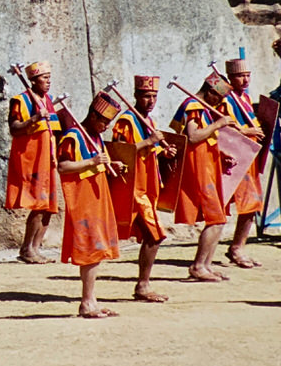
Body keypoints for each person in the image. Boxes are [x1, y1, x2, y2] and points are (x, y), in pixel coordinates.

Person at [57, 92, 123, 318]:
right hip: (83, 202)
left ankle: (92, 299)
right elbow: (63, 167)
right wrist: (92, 162)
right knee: (89, 252)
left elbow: (97, 164)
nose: (106, 126)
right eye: (104, 121)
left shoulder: (93, 137)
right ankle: (86, 302)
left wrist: (111, 164)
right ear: (93, 116)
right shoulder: (73, 137)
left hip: (98, 200)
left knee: (97, 251)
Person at [112, 76, 175, 302]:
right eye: (146, 96)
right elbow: (119, 152)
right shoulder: (126, 121)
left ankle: (143, 284)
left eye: (154, 96)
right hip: (133, 189)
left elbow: (147, 154)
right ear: (136, 96)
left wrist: (162, 152)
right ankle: (143, 285)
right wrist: (150, 142)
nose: (151, 100)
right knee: (154, 234)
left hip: (147, 188)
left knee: (153, 235)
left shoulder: (149, 121)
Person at [170, 73, 236, 282]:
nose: (221, 102)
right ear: (211, 92)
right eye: (220, 97)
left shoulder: (203, 108)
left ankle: (206, 265)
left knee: (220, 218)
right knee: (216, 218)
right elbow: (193, 136)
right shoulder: (193, 106)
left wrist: (222, 154)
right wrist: (220, 124)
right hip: (198, 169)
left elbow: (206, 140)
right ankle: (198, 266)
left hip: (208, 166)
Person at [5, 61, 61, 264]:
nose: (48, 82)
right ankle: (26, 248)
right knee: (38, 204)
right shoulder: (21, 100)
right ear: (34, 80)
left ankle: (36, 248)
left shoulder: (48, 100)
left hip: (48, 158)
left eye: (49, 78)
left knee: (49, 206)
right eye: (44, 78)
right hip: (32, 159)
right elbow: (14, 128)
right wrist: (34, 119)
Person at [218, 59, 265, 269]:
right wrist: (247, 131)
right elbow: (221, 129)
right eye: (240, 75)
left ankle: (238, 246)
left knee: (252, 204)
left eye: (248, 75)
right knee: (224, 208)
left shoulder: (244, 98)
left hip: (250, 155)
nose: (245, 79)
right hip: (234, 157)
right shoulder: (224, 100)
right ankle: (224, 252)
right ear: (230, 78)